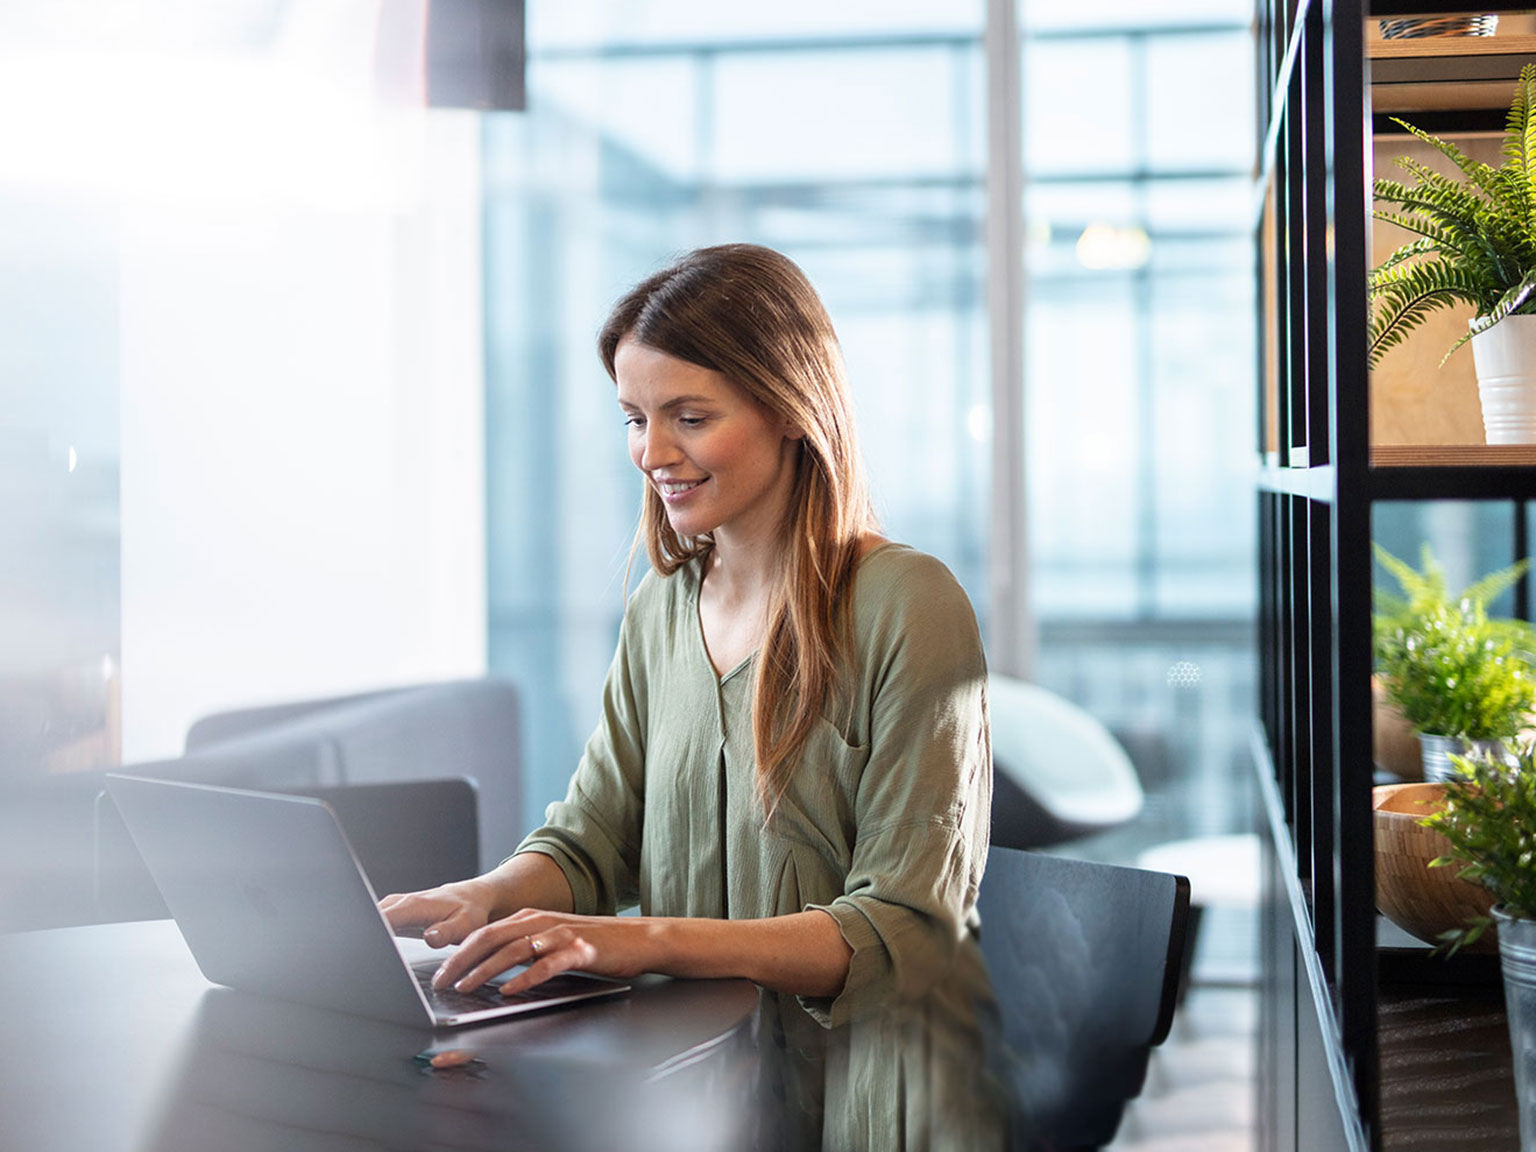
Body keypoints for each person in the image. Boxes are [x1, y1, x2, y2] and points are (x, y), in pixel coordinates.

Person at [382, 243, 1002, 1150]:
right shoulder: (659, 615)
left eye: (690, 417)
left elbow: (902, 927)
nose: (653, 453)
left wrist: (639, 941)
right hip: (698, 1100)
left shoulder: (908, 604)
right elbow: (593, 839)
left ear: (792, 410)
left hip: (871, 1111)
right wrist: (489, 895)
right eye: (636, 418)